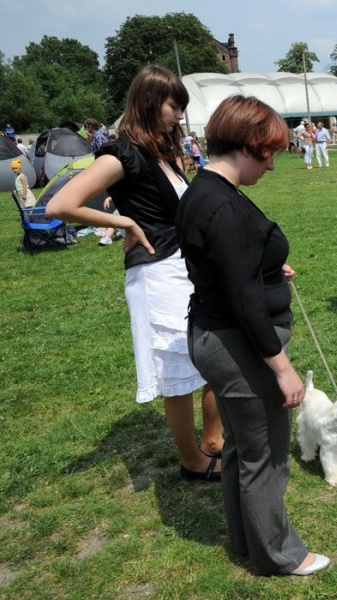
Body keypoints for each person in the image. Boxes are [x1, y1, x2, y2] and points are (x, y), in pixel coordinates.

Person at [46, 65, 224, 482]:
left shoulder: (163, 151)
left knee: (213, 356)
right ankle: (193, 461)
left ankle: (214, 443)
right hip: (157, 274)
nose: (179, 114)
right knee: (178, 372)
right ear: (148, 103)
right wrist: (123, 222)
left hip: (185, 268)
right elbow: (59, 205)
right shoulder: (121, 153)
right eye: (173, 106)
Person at [176, 94, 328, 577]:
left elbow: (224, 266)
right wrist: (281, 369)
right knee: (265, 455)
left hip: (214, 335)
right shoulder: (222, 205)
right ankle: (278, 554)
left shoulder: (202, 189)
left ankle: (247, 540)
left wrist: (267, 269)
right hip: (236, 344)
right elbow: (242, 300)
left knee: (241, 446)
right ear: (250, 145)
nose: (273, 165)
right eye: (271, 154)